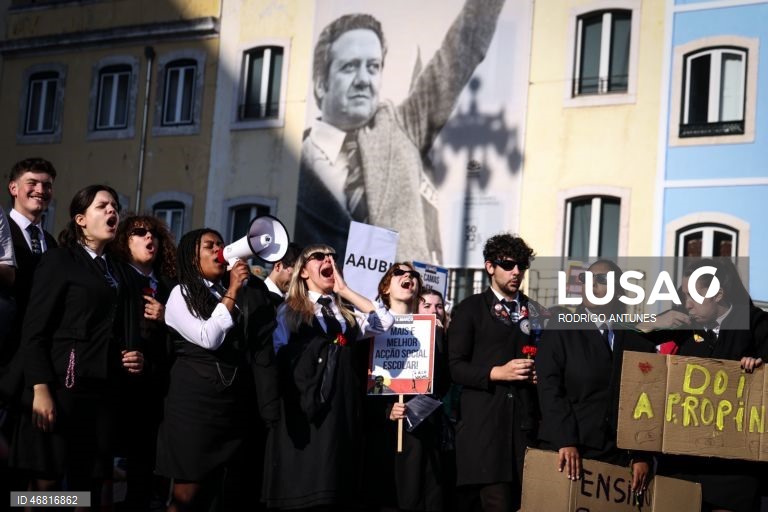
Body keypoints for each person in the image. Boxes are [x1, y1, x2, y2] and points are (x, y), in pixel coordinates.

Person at [295, 0, 507, 262]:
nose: (363, 79)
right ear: (320, 84)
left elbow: (463, 46)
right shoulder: (293, 167)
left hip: (406, 300)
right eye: (349, 67)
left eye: (372, 67)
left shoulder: (403, 124)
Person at [10, 184, 144, 509]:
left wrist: (136, 355)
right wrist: (40, 388)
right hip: (59, 385)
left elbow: (128, 330)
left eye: (115, 206)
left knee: (88, 485)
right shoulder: (59, 261)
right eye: (102, 206)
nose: (112, 211)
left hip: (103, 391)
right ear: (81, 219)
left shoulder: (123, 273)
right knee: (46, 483)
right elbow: (34, 330)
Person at [263, 244, 394, 510]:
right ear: (303, 272)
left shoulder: (345, 312)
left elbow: (384, 320)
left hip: (341, 410)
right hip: (307, 407)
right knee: (308, 487)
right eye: (319, 257)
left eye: (333, 257)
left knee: (336, 487)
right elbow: (278, 356)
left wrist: (344, 290)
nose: (329, 261)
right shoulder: (290, 310)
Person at [156, 228, 276, 512]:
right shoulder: (180, 293)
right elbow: (208, 337)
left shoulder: (227, 293)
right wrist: (233, 291)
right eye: (209, 246)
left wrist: (241, 288)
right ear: (191, 257)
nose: (218, 251)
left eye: (221, 245)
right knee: (187, 495)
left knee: (218, 493)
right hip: (194, 407)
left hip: (228, 405)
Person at [639, 258, 767, 512]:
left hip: (732, 470)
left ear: (717, 293)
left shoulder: (755, 323)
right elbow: (626, 336)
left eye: (692, 296)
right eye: (683, 295)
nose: (686, 303)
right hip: (682, 466)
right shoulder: (683, 323)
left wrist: (761, 365)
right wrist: (654, 323)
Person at [536, 259, 654, 495]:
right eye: (587, 279)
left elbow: (643, 400)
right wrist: (565, 440)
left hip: (616, 455)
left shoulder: (633, 338)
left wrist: (641, 454)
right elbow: (550, 388)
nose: (592, 285)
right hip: (570, 449)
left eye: (602, 280)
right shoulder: (561, 328)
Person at [447, 233, 543, 512]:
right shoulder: (470, 309)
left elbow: (549, 359)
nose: (516, 272)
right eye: (509, 265)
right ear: (490, 267)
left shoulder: (535, 311)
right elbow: (455, 367)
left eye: (521, 266)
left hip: (524, 431)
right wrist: (495, 373)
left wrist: (541, 374)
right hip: (485, 431)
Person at [110, 214, 178, 511]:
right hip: (116, 386)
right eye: (139, 232)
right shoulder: (114, 276)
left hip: (155, 391)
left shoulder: (169, 287)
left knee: (142, 474)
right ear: (125, 240)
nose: (149, 238)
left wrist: (167, 318)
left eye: (154, 234)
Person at [379, 263, 450, 512]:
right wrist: (387, 408)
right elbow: (362, 382)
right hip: (390, 438)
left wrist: (438, 339)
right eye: (399, 272)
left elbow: (443, 383)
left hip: (425, 435)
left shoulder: (433, 332)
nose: (408, 275)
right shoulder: (373, 329)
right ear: (386, 286)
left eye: (413, 274)